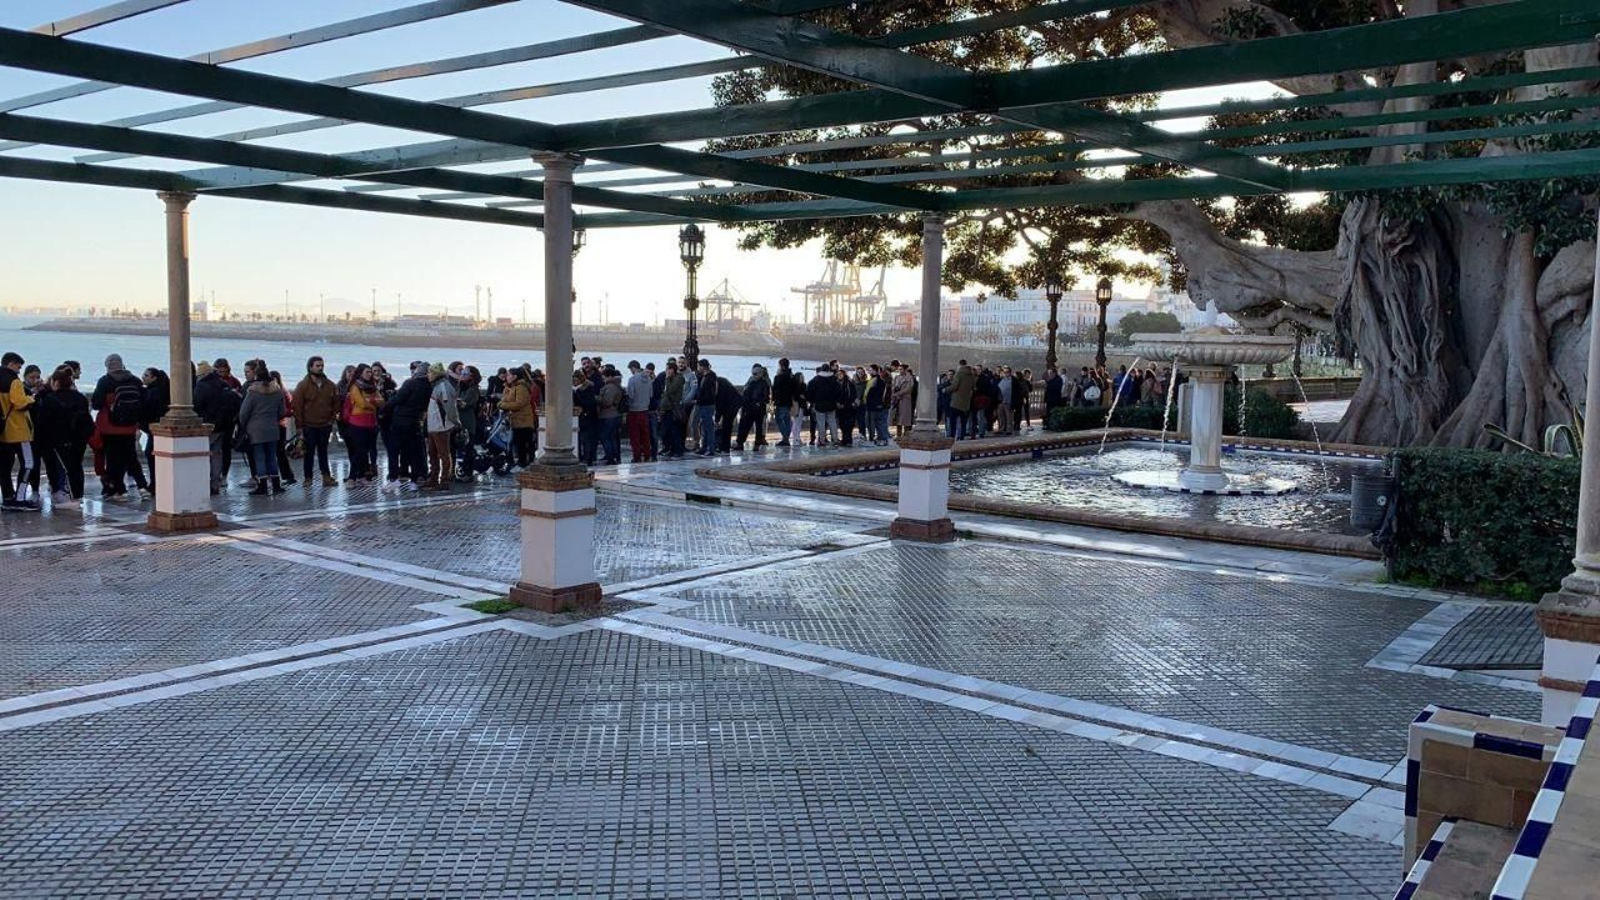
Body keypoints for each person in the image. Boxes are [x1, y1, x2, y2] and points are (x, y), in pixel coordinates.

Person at [90, 354, 152, 503]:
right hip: (129, 427)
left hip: (109, 426)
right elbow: (144, 400)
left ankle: (118, 489)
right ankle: (143, 487)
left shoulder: (105, 381)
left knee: (113, 459)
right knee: (131, 457)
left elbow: (97, 403)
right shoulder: (135, 380)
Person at [32, 365, 92, 507]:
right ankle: (78, 495)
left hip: (58, 440)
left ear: (56, 382)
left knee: (63, 468)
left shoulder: (51, 399)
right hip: (79, 439)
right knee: (76, 467)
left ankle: (69, 497)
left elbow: (43, 421)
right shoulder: (80, 398)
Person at [236, 363, 288, 496]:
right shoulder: (277, 392)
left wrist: (245, 425)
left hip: (255, 430)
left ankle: (263, 486)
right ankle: (276, 485)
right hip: (272, 428)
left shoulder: (253, 392)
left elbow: (243, 413)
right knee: (271, 457)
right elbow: (282, 411)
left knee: (259, 458)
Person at [194, 358, 242, 495]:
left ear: (202, 375)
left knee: (205, 455)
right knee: (217, 455)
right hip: (224, 425)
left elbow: (196, 405)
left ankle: (205, 483)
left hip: (207, 425)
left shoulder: (202, 386)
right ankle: (216, 483)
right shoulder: (223, 383)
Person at [292, 355, 339, 486]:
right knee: (309, 453)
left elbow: (336, 403)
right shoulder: (303, 386)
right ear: (310, 367)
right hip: (309, 425)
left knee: (323, 452)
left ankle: (326, 477)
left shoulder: (330, 385)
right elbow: (297, 406)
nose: (320, 368)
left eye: (322, 366)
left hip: (325, 424)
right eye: (317, 366)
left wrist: (331, 419)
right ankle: (308, 478)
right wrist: (299, 426)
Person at [0, 351, 37, 511]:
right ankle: (20, 498)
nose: (19, 371)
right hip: (18, 430)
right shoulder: (13, 381)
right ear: (11, 364)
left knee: (4, 467)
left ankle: (8, 497)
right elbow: (20, 402)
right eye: (18, 367)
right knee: (28, 464)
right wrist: (32, 398)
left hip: (3, 431)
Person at [388, 361, 432, 490]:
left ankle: (393, 478)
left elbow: (398, 399)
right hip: (416, 422)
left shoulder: (410, 383)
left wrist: (384, 409)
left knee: (394, 451)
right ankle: (414, 481)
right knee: (414, 452)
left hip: (401, 421)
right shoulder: (430, 387)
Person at [341, 363, 382, 483]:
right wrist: (372, 404)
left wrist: (370, 401)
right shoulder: (355, 387)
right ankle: (352, 477)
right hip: (358, 423)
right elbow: (361, 404)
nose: (370, 374)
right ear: (360, 373)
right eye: (367, 372)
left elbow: (382, 401)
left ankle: (362, 475)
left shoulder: (372, 386)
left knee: (366, 451)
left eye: (370, 372)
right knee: (359, 451)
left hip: (371, 423)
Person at [424, 363, 460, 490]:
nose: (428, 375)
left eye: (430, 373)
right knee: (432, 453)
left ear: (436, 374)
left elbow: (449, 407)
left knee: (443, 453)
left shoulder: (443, 386)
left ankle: (444, 480)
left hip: (441, 426)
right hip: (434, 425)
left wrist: (455, 422)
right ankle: (433, 478)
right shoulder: (438, 386)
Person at [497, 367, 537, 469]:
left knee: (522, 444)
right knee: (516, 443)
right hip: (514, 421)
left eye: (509, 375)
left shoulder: (521, 388)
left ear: (515, 376)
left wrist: (502, 405)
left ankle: (523, 464)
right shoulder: (510, 387)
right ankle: (516, 463)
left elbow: (519, 404)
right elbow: (506, 399)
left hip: (523, 421)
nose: (507, 377)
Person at [735, 364, 770, 452]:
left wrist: (758, 403)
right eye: (753, 373)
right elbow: (746, 394)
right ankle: (740, 443)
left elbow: (766, 397)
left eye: (756, 374)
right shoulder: (751, 382)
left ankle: (757, 444)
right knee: (744, 426)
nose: (754, 375)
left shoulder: (764, 383)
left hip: (758, 410)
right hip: (748, 408)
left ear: (760, 374)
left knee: (758, 428)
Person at [624, 360, 654, 463]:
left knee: (635, 436)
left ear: (633, 368)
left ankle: (636, 456)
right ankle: (647, 455)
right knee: (646, 435)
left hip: (634, 410)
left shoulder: (632, 380)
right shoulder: (649, 379)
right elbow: (651, 394)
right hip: (645, 410)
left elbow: (630, 395)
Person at [597, 365, 625, 465]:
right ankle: (614, 456)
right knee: (612, 437)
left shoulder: (610, 387)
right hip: (615, 415)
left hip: (608, 415)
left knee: (605, 437)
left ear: (608, 376)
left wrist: (597, 398)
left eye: (603, 376)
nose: (602, 378)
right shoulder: (618, 386)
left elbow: (607, 402)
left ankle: (610, 457)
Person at [658, 360, 685, 459]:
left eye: (667, 369)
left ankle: (677, 450)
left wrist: (667, 379)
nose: (666, 371)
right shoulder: (670, 379)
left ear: (672, 370)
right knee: (667, 431)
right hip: (666, 408)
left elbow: (670, 390)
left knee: (675, 430)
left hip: (673, 408)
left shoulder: (678, 379)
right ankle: (670, 448)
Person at [807, 365, 839, 446]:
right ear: (829, 370)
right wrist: (836, 400)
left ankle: (822, 441)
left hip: (819, 405)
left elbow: (809, 391)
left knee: (821, 424)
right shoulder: (834, 379)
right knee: (832, 423)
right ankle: (835, 439)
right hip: (831, 405)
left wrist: (812, 402)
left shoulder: (816, 379)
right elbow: (838, 392)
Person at [693, 360, 719, 456]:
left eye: (699, 367)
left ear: (703, 367)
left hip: (707, 405)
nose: (698, 369)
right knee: (704, 427)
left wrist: (698, 400)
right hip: (704, 405)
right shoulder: (704, 377)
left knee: (709, 428)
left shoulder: (710, 378)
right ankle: (704, 447)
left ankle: (710, 448)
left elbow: (710, 394)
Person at [574, 370, 600, 465]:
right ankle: (586, 458)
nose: (574, 382)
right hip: (587, 417)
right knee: (585, 439)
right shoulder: (584, 389)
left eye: (576, 380)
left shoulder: (584, 390)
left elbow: (590, 403)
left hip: (587, 417)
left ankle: (587, 458)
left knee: (586, 439)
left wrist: (581, 407)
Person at [947, 360, 976, 440]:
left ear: (959, 365)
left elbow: (955, 386)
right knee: (963, 421)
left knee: (953, 420)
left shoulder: (959, 374)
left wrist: (946, 389)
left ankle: (952, 436)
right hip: (966, 402)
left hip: (956, 401)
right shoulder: (972, 375)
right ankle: (962, 436)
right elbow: (973, 387)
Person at [864, 364, 890, 446]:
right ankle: (874, 438)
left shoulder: (878, 381)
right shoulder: (871, 379)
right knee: (869, 422)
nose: (869, 371)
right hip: (870, 405)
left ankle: (877, 438)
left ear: (875, 371)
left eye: (871, 370)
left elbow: (878, 394)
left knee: (875, 423)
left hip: (874, 406)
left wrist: (878, 404)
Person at [891, 364, 915, 439]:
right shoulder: (896, 377)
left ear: (905, 370)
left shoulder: (909, 378)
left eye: (901, 369)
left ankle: (906, 435)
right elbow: (893, 386)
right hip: (897, 400)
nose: (900, 371)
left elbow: (908, 389)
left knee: (905, 418)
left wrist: (898, 393)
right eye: (899, 369)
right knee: (898, 417)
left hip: (905, 400)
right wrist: (895, 393)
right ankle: (898, 435)